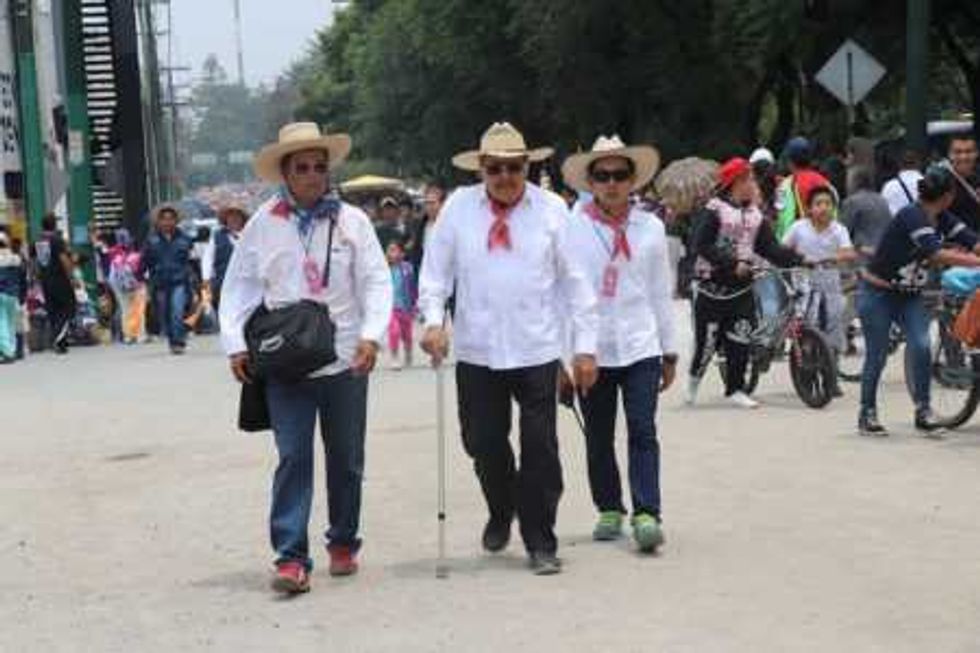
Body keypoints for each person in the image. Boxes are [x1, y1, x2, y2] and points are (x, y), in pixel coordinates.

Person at [419, 122, 599, 575]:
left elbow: (577, 283)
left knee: (540, 446)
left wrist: (584, 349)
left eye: (514, 167)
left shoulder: (553, 210)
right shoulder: (458, 209)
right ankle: (502, 508)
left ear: (527, 166)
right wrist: (432, 322)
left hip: (536, 347)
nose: (505, 177)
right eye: (495, 168)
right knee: (482, 442)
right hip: (478, 350)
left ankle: (541, 540)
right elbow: (435, 274)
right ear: (481, 168)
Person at [220, 122, 392, 595]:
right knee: (293, 456)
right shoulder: (262, 224)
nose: (314, 175)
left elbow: (376, 280)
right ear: (285, 173)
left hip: (345, 360)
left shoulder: (353, 221)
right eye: (303, 168)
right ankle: (291, 557)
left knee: (347, 458)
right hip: (287, 364)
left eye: (320, 166)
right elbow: (239, 287)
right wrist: (235, 342)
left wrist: (373, 337)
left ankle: (343, 542)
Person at [560, 135, 676, 552]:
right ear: (590, 181)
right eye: (603, 175)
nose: (612, 183)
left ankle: (648, 512)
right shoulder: (573, 227)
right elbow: (563, 294)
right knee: (598, 433)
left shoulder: (651, 227)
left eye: (620, 175)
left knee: (643, 429)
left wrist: (670, 349)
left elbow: (661, 291)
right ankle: (609, 506)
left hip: (641, 343)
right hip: (593, 350)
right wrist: (564, 357)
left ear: (633, 180)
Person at [857, 166, 980, 436]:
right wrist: (976, 261)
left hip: (910, 296)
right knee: (876, 356)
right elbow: (936, 254)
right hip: (878, 294)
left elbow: (971, 240)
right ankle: (867, 412)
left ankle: (923, 411)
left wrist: (976, 252)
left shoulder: (942, 217)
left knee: (922, 346)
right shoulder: (911, 216)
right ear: (948, 195)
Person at [688, 157, 804, 408]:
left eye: (752, 179)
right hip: (712, 289)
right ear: (734, 183)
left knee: (740, 338)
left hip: (742, 288)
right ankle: (693, 384)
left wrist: (800, 259)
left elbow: (770, 248)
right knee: (706, 344)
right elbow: (702, 244)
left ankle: (736, 389)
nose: (753, 184)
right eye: (747, 179)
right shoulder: (714, 209)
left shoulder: (755, 216)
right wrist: (731, 264)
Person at [782, 186, 857, 361]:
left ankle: (833, 368)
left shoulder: (839, 229)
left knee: (835, 319)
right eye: (818, 204)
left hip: (830, 280)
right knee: (808, 319)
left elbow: (849, 252)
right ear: (809, 208)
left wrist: (830, 257)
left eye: (828, 204)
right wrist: (798, 258)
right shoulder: (798, 227)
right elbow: (783, 249)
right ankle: (804, 355)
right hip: (803, 280)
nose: (824, 208)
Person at [141, 204, 194, 355]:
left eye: (171, 219)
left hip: (179, 281)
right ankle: (172, 339)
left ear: (176, 221)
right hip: (160, 282)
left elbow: (193, 260)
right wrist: (141, 277)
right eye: (164, 219)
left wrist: (197, 281)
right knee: (164, 313)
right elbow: (144, 261)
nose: (167, 222)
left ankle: (178, 341)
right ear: (158, 222)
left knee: (177, 311)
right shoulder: (151, 241)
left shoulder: (185, 239)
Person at [775, 137, 837, 240]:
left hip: (795, 248)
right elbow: (834, 217)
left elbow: (781, 221)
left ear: (790, 161)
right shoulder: (828, 186)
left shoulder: (783, 187)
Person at [31, 214, 76, 354]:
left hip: (45, 279)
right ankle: (57, 337)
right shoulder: (57, 240)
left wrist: (37, 276)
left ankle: (60, 343)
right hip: (59, 278)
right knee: (69, 307)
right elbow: (63, 259)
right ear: (54, 225)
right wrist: (71, 276)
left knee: (53, 310)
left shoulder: (38, 240)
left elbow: (35, 261)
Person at [202, 205, 249, 314]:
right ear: (225, 220)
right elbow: (208, 258)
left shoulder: (249, 236)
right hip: (222, 283)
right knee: (224, 313)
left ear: (243, 219)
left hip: (244, 283)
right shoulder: (217, 236)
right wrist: (206, 279)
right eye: (230, 217)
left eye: (237, 216)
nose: (234, 219)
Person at [840, 167, 892, 257]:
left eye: (847, 180)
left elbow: (842, 231)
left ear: (854, 182)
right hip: (883, 252)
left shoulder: (852, 202)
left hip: (863, 255)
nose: (846, 184)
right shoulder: (882, 199)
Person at [107, 228, 146, 344]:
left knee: (126, 310)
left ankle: (128, 336)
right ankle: (140, 335)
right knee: (139, 310)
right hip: (137, 284)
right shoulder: (137, 254)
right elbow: (144, 271)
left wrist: (114, 287)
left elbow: (111, 276)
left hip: (120, 286)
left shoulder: (113, 254)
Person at [386, 241, 416, 369]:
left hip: (405, 308)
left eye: (394, 250)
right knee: (394, 331)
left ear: (402, 253)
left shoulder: (407, 268)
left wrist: (415, 305)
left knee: (407, 336)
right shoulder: (383, 268)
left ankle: (408, 353)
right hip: (390, 308)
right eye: (389, 250)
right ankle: (394, 357)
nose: (391, 253)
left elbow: (413, 288)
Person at [945, 134, 979, 232]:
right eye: (957, 152)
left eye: (968, 151)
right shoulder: (941, 181)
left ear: (976, 153)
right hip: (954, 244)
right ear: (950, 154)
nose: (963, 157)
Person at [0, 231, 25, 363]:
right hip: (13, 294)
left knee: (1, 324)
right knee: (10, 323)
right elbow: (22, 278)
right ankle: (13, 350)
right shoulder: (16, 258)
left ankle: (7, 352)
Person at [880, 149, 924, 216]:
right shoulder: (928, 183)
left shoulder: (889, 186)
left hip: (900, 224)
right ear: (919, 163)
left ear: (899, 164)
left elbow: (884, 212)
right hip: (924, 224)